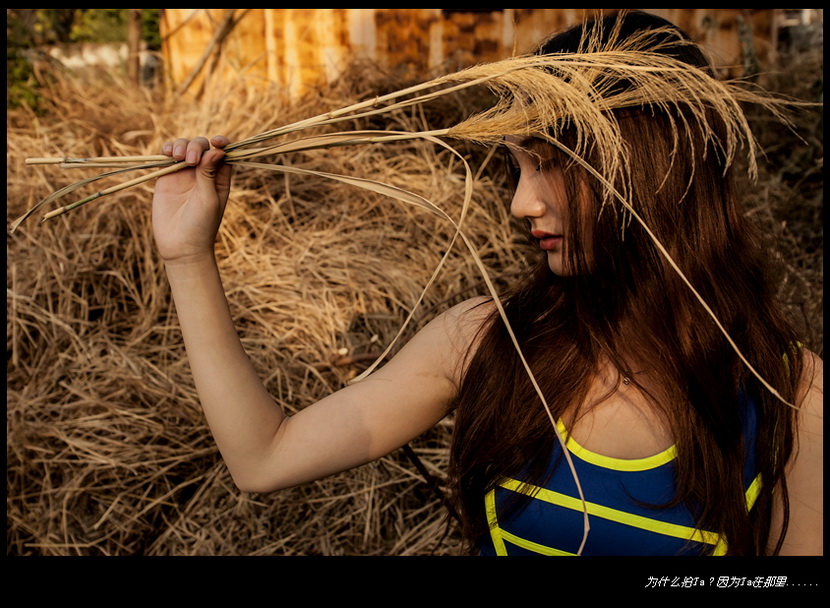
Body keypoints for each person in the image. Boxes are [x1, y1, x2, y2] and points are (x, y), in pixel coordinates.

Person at [151, 10, 822, 556]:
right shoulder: (489, 344)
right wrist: (187, 257)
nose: (520, 205)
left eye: (552, 166)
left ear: (652, 168)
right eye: (516, 170)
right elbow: (263, 458)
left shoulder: (791, 399)